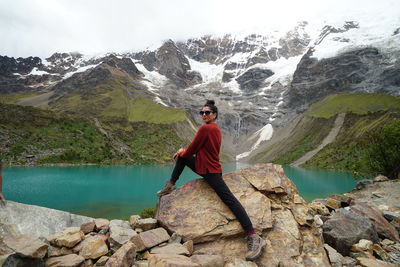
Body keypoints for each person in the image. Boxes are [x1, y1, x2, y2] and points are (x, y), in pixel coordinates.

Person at [157, 100, 266, 261]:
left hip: (211, 172)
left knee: (230, 200)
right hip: (205, 167)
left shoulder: (206, 128)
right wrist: (183, 152)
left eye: (207, 112)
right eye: (202, 112)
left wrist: (182, 151)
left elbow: (192, 148)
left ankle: (253, 236)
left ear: (214, 115)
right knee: (183, 158)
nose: (204, 115)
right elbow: (195, 149)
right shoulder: (215, 128)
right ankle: (170, 185)